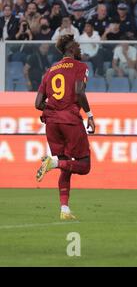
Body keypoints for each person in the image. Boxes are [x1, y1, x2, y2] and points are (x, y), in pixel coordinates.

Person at [35, 34, 96, 220]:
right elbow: (79, 92)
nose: (80, 50)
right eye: (78, 47)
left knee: (66, 166)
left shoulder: (50, 70)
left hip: (52, 123)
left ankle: (64, 210)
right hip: (69, 121)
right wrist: (90, 115)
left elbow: (38, 103)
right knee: (84, 165)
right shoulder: (80, 67)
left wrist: (53, 109)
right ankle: (52, 163)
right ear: (71, 49)